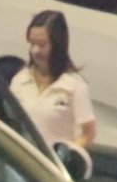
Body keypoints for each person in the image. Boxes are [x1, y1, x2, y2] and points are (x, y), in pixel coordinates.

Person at [8, 9, 97, 154]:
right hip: (22, 161)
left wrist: (64, 155)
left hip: (50, 165)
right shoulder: (20, 80)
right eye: (32, 44)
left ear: (58, 45)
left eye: (42, 45)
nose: (35, 51)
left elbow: (88, 133)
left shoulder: (74, 85)